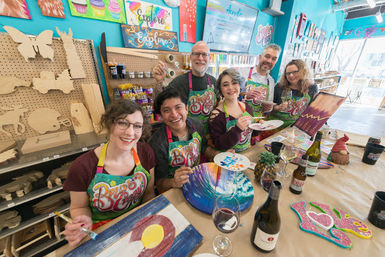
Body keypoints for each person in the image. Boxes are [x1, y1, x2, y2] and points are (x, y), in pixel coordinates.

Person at [63, 99, 155, 246]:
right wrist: (83, 221)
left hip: (138, 224)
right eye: (123, 123)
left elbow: (149, 194)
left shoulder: (146, 152)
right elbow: (79, 207)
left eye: (137, 126)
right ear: (109, 124)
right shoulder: (82, 167)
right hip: (102, 234)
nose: (130, 132)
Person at [149, 89, 218, 193]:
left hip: (196, 181)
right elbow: (159, 183)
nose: (174, 114)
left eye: (178, 107)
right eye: (166, 110)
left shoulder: (196, 125)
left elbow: (203, 148)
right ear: (161, 116)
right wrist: (174, 182)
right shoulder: (157, 143)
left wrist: (219, 155)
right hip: (173, 191)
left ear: (186, 108)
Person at [152, 41, 219, 132]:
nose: (200, 58)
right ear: (191, 57)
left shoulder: (213, 81)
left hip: (210, 134)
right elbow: (159, 105)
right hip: (189, 137)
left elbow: (220, 106)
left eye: (204, 54)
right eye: (196, 54)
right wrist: (159, 82)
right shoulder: (179, 83)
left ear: (209, 58)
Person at [209, 68, 262, 153]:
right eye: (225, 85)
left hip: (248, 155)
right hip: (230, 161)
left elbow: (252, 133)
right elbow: (218, 144)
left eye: (234, 83)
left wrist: (259, 127)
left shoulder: (248, 108)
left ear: (240, 85)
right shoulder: (216, 115)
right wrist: (237, 129)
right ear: (220, 89)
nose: (230, 87)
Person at [270, 59, 319, 128]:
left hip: (296, 128)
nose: (291, 75)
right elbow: (269, 106)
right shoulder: (279, 86)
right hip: (275, 125)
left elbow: (313, 111)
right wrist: (278, 107)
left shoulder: (312, 88)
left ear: (303, 71)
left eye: (295, 72)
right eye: (288, 73)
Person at [245, 44, 281, 116]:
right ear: (260, 57)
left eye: (273, 59)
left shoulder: (271, 81)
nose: (269, 61)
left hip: (258, 121)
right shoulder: (243, 73)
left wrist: (268, 108)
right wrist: (245, 95)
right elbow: (229, 98)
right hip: (241, 119)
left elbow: (269, 106)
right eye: (267, 56)